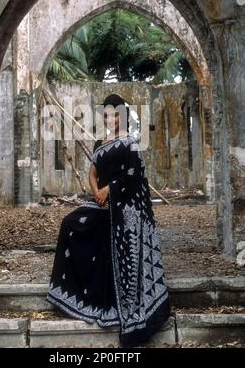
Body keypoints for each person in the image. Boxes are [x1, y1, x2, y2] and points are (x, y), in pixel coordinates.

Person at [46, 93, 170, 347]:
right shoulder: (100, 143)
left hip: (125, 207)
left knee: (112, 232)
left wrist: (109, 190)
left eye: (114, 115)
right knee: (70, 223)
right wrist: (96, 191)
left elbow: (134, 178)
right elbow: (91, 173)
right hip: (102, 204)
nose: (109, 119)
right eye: (105, 116)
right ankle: (76, 295)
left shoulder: (130, 143)